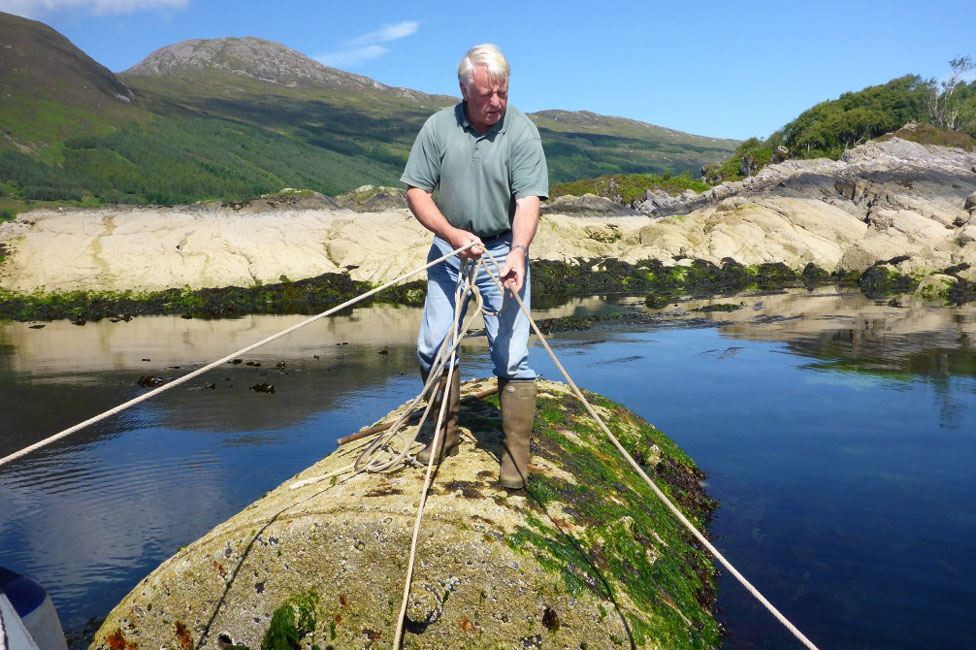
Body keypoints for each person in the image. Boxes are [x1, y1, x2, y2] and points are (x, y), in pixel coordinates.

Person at [400, 44, 549, 489]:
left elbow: (527, 200)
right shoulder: (437, 128)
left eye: (502, 92)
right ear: (464, 89)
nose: (496, 103)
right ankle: (443, 436)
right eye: (486, 95)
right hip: (450, 251)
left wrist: (519, 251)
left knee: (512, 354)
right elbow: (416, 192)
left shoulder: (522, 132)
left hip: (504, 249)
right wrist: (450, 234)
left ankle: (515, 458)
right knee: (432, 344)